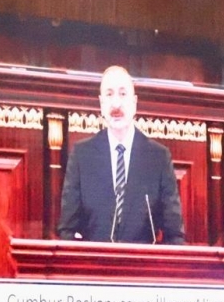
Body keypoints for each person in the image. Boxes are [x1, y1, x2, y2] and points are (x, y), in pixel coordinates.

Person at [57, 65, 186, 245]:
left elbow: (175, 235)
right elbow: (67, 230)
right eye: (109, 94)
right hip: (93, 261)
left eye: (123, 94)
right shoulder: (82, 155)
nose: (116, 104)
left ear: (134, 102)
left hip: (142, 261)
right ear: (101, 103)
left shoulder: (158, 158)